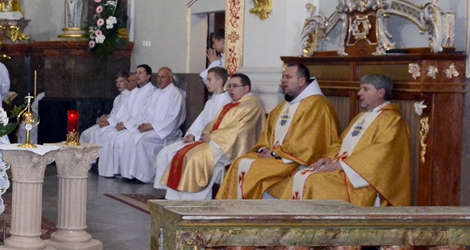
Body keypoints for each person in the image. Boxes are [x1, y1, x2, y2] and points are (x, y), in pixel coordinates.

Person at [270, 75, 411, 206]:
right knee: (301, 176)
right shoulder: (361, 117)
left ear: (381, 93)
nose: (359, 93)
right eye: (360, 88)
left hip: (362, 181)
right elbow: (340, 143)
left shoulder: (393, 121)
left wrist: (344, 165)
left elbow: (382, 154)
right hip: (345, 171)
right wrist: (327, 158)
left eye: (365, 89)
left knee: (312, 181)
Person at [217, 63, 340, 200]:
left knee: (254, 169)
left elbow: (308, 143)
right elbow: (268, 133)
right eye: (283, 76)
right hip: (279, 156)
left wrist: (275, 153)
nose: (283, 80)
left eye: (288, 77)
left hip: (296, 161)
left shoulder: (317, 105)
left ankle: (251, 210)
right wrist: (264, 148)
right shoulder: (284, 105)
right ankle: (235, 210)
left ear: (301, 81)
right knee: (240, 162)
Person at [155, 71, 265, 200]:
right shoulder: (234, 104)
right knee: (183, 154)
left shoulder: (252, 105)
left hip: (230, 147)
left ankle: (193, 201)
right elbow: (212, 123)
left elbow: (238, 130)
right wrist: (205, 134)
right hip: (218, 142)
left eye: (235, 86)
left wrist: (212, 137)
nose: (231, 89)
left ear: (246, 88)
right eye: (230, 86)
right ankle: (175, 198)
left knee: (194, 159)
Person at [99, 67, 185, 182]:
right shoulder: (156, 93)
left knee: (140, 141)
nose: (159, 80)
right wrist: (142, 124)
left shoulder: (176, 94)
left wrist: (152, 126)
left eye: (163, 77)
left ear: (170, 79)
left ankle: (143, 176)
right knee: (130, 138)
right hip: (151, 128)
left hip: (165, 132)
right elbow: (145, 113)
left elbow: (173, 119)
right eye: (158, 77)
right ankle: (130, 173)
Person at [80, 71, 130, 145]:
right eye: (116, 82)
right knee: (86, 133)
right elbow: (113, 113)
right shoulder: (117, 98)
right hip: (111, 121)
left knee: (97, 135)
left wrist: (109, 121)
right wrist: (105, 117)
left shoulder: (130, 96)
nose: (118, 84)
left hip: (117, 124)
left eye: (121, 81)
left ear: (127, 82)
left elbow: (123, 115)